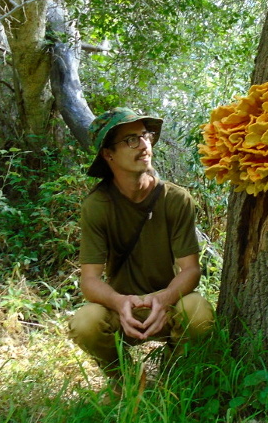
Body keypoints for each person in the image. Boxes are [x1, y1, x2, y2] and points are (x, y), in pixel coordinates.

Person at [68, 107, 214, 387]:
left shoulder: (176, 199)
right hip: (121, 309)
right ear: (108, 154)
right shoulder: (97, 206)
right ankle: (127, 381)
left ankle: (172, 377)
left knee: (199, 312)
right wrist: (119, 302)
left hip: (168, 303)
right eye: (130, 140)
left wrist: (165, 298)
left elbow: (191, 269)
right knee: (85, 322)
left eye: (145, 135)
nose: (144, 144)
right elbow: (89, 280)